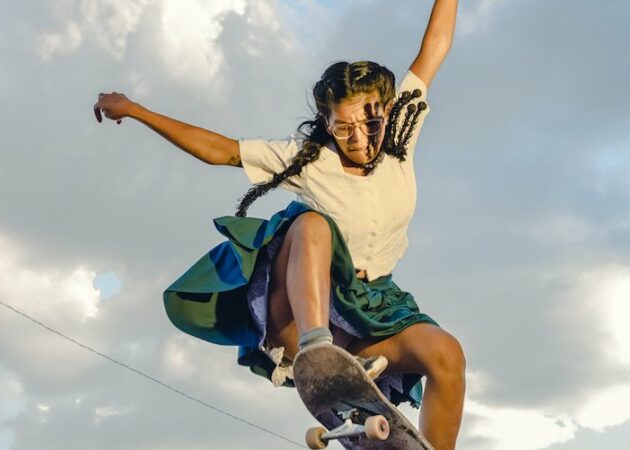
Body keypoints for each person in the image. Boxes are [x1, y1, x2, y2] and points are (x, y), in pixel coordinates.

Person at [94, 1, 463, 448]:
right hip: (300, 311)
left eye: (369, 124)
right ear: (326, 125)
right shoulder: (305, 160)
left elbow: (435, 46)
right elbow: (220, 150)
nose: (360, 140)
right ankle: (317, 349)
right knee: (309, 224)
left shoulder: (402, 130)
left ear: (385, 110)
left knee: (446, 353)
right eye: (343, 129)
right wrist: (136, 110)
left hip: (375, 312)